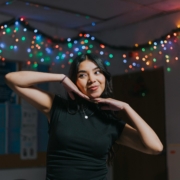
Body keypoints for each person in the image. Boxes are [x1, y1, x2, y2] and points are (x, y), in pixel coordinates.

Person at [5, 53, 163, 180]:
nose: (92, 79)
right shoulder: (58, 107)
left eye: (97, 72)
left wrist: (127, 108)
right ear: (75, 82)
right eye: (83, 75)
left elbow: (155, 147)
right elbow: (12, 79)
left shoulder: (111, 123)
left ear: (105, 77)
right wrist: (61, 77)